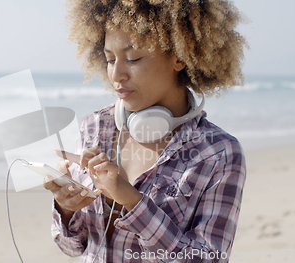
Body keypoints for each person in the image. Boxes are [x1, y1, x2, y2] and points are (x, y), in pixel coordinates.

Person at [43, 0, 247, 262]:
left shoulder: (218, 153)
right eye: (109, 59)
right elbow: (72, 248)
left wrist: (131, 200)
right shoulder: (96, 126)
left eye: (133, 58)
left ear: (180, 56)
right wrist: (66, 208)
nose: (116, 75)